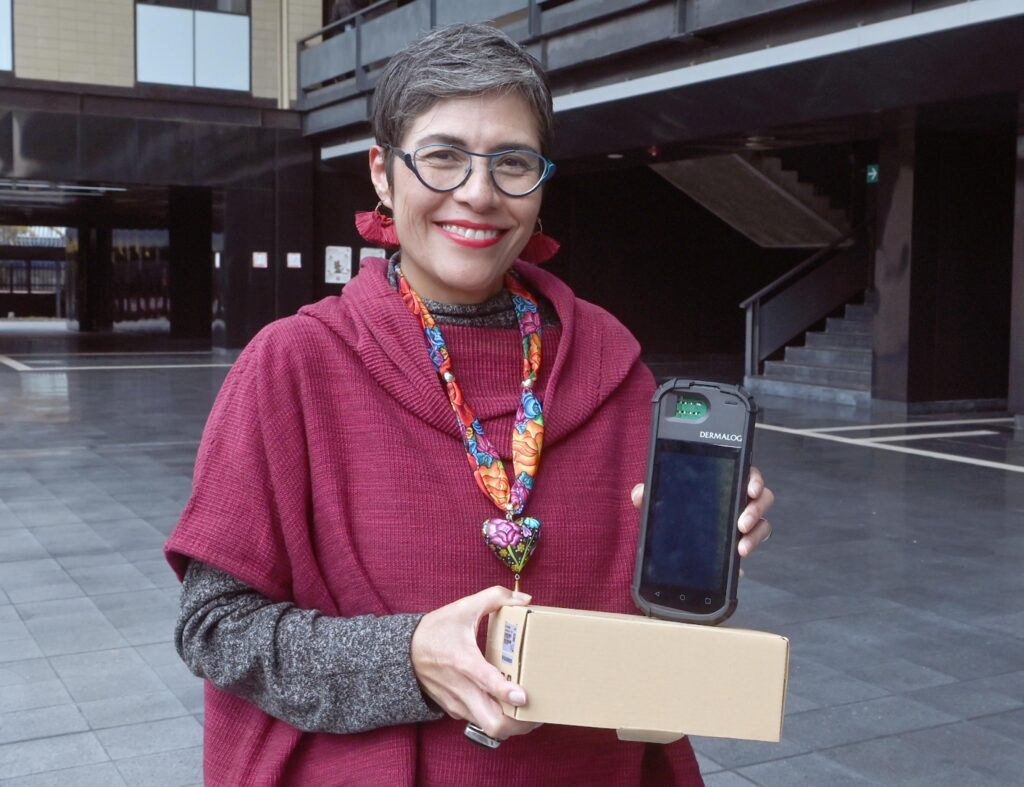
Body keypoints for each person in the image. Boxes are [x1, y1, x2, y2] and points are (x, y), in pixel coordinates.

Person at [166, 23, 775, 786]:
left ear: (541, 184)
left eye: (512, 162)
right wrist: (406, 658)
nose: (479, 193)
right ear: (383, 174)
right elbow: (215, 626)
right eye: (443, 156)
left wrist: (703, 553)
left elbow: (643, 643)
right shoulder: (293, 368)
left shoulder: (618, 372)